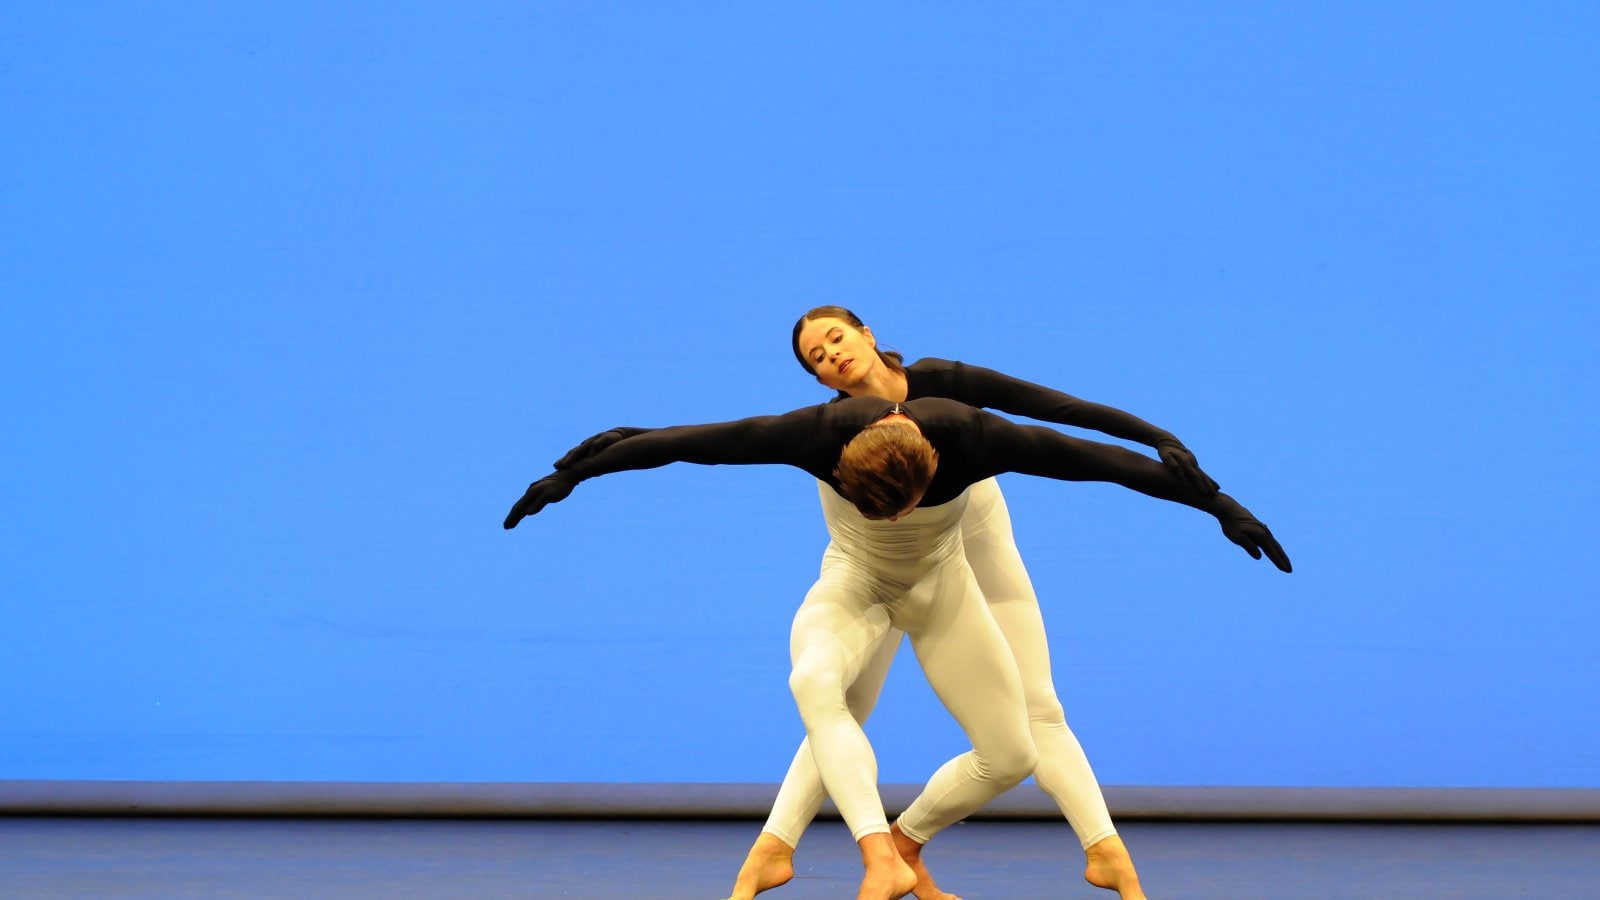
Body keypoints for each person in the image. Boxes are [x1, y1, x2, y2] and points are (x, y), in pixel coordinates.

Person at [505, 394, 1290, 900]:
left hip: (941, 588)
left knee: (1014, 752)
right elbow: (697, 441)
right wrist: (579, 471)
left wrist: (1225, 508)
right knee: (816, 685)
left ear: (933, 476)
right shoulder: (818, 435)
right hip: (853, 588)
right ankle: (875, 854)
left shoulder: (974, 440)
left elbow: (1109, 465)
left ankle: (906, 843)